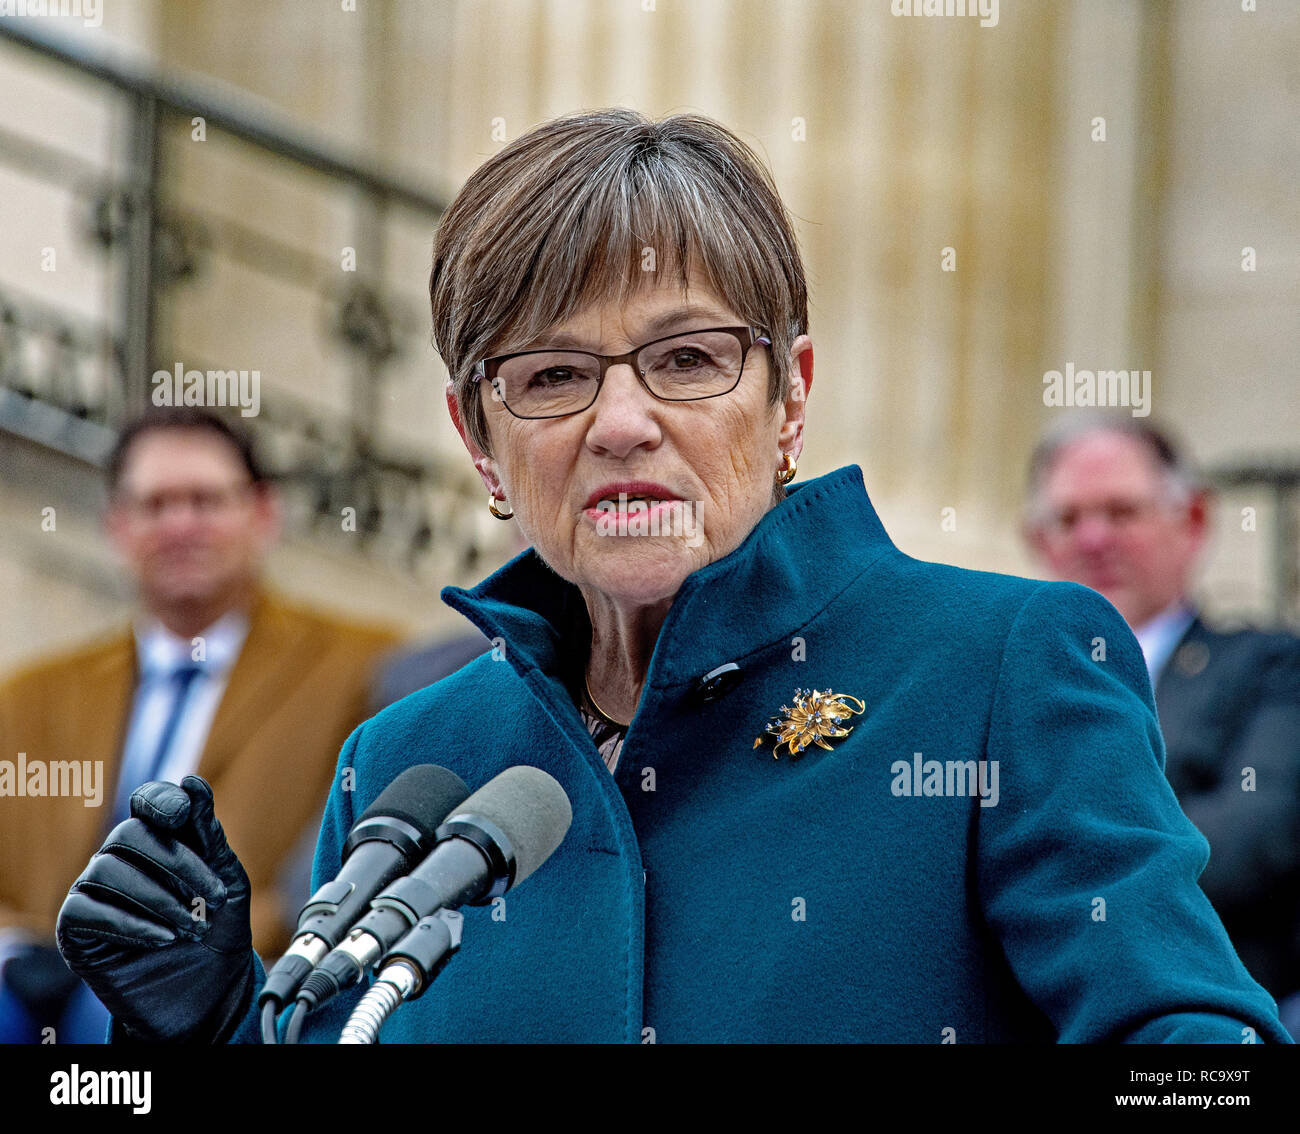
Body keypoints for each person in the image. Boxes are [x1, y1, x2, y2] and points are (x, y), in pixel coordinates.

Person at [56, 110, 1291, 1043]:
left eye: (688, 358)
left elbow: (1188, 1048)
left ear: (790, 391)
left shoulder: (995, 665)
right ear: (477, 441)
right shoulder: (408, 760)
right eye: (549, 377)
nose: (622, 422)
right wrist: (216, 1035)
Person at [0, 409, 400, 1042]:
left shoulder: (365, 669)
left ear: (264, 514)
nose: (181, 525)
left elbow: (349, 862)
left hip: (234, 980)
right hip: (34, 979)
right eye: (156, 503)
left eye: (206, 500)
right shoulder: (30, 693)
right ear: (116, 525)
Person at [1023, 412, 1300, 1027]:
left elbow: (1251, 838)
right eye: (1068, 519)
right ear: (1037, 540)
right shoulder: (1009, 684)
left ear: (1193, 520)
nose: (1094, 539)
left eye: (1121, 512)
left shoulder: (1271, 669)